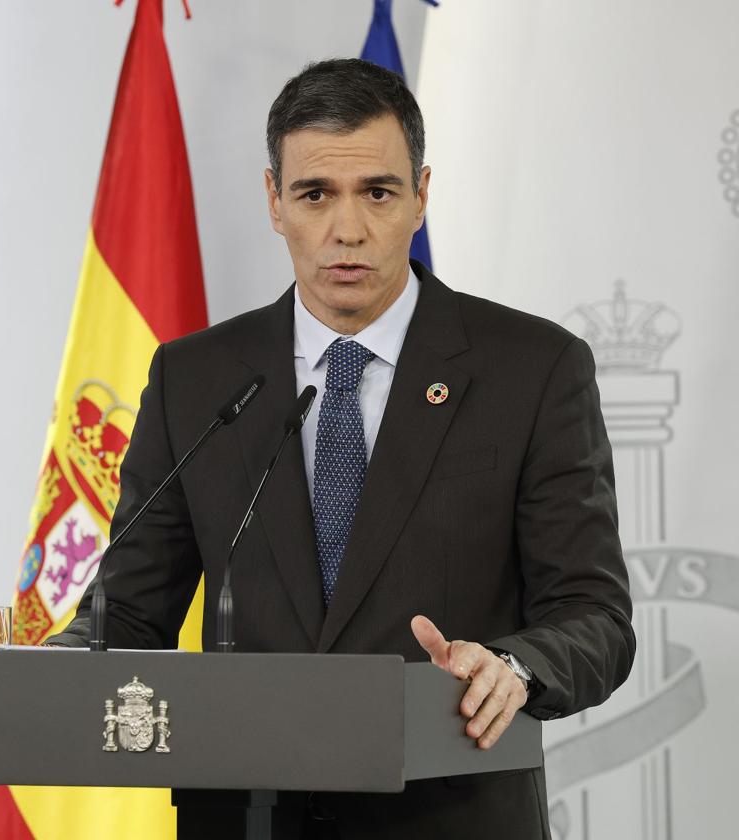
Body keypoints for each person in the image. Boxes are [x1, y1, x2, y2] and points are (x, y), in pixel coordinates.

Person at [46, 58, 634, 839]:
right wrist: (50, 665)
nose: (346, 229)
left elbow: (593, 616)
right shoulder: (195, 378)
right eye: (315, 194)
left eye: (378, 193)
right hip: (247, 816)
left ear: (422, 196)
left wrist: (514, 668)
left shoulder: (533, 368)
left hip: (449, 816)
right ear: (273, 202)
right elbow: (128, 614)